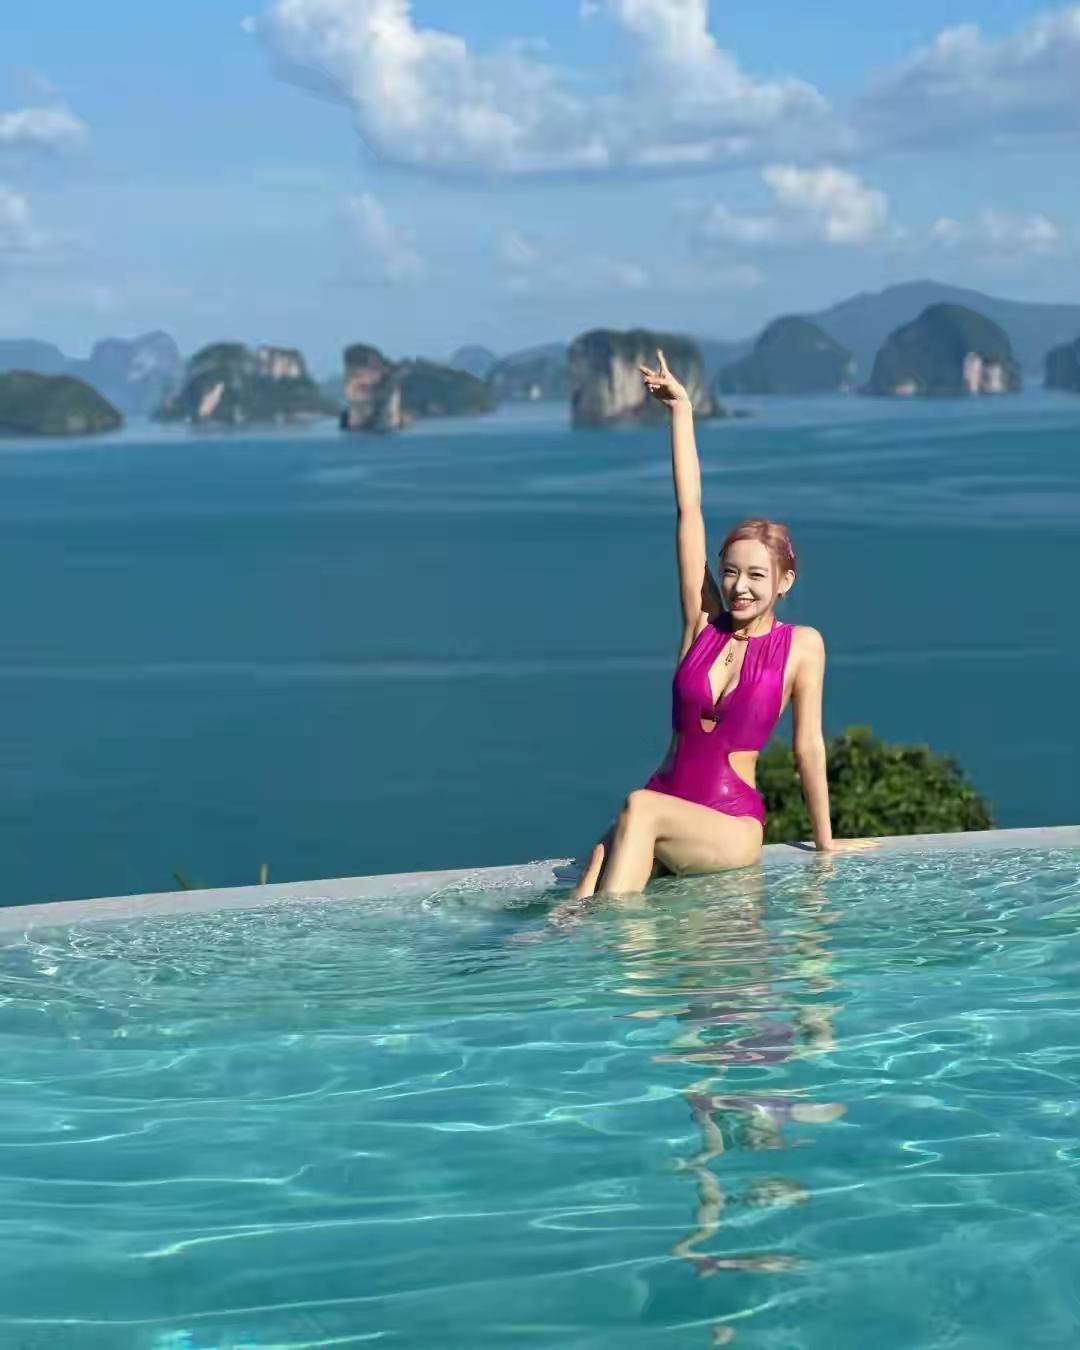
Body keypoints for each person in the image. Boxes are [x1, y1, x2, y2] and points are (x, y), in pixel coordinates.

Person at [571, 350, 875, 901]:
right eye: (731, 572)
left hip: (729, 824)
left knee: (636, 814)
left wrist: (825, 843)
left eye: (756, 575)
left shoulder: (802, 646)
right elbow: (689, 510)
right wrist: (682, 412)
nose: (739, 587)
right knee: (579, 896)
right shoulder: (702, 626)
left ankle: (617, 945)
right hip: (662, 807)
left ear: (784, 581)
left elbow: (808, 746)